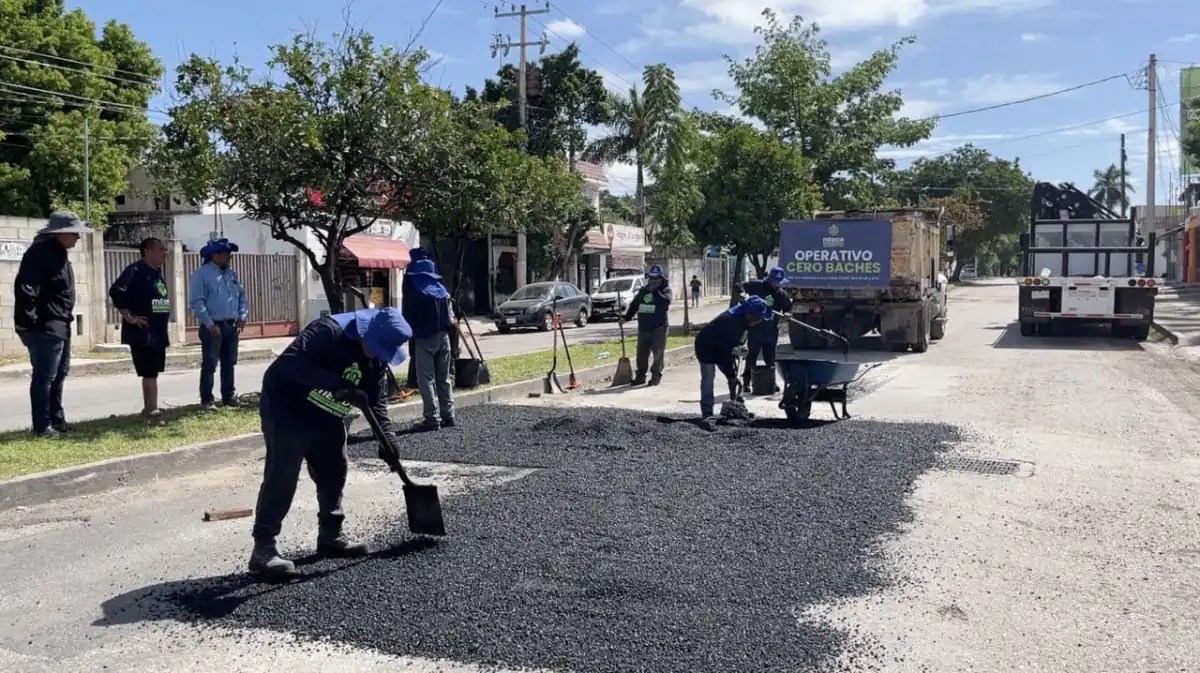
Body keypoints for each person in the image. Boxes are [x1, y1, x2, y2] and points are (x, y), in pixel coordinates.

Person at [249, 306, 412, 579]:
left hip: (326, 413)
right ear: (366, 333)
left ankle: (331, 535)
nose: (377, 356)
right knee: (283, 474)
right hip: (287, 407)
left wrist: (388, 439)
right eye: (376, 349)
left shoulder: (377, 359)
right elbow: (289, 363)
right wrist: (335, 384)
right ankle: (263, 548)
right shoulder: (328, 332)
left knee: (335, 467)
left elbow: (377, 402)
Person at [12, 211, 94, 437]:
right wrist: (26, 324)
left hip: (61, 324)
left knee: (60, 374)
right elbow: (26, 290)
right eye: (74, 233)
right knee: (45, 376)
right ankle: (43, 426)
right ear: (60, 232)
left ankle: (57, 421)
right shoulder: (41, 252)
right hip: (45, 326)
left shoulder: (60, 253)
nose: (78, 237)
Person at [108, 237, 172, 421]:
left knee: (153, 371)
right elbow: (117, 291)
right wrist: (128, 316)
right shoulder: (135, 271)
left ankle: (150, 407)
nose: (164, 252)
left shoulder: (157, 272)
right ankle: (151, 409)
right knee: (149, 371)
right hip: (144, 332)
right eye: (160, 249)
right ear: (148, 251)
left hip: (158, 331)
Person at [188, 238, 247, 409]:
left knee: (229, 362)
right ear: (215, 255)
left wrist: (243, 316)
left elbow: (241, 296)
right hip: (213, 326)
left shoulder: (231, 274)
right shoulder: (201, 274)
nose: (229, 257)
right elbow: (197, 302)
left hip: (231, 325)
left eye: (230, 254)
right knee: (210, 364)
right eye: (226, 253)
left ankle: (229, 396)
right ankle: (207, 400)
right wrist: (209, 324)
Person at [694, 296, 771, 418]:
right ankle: (707, 412)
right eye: (758, 318)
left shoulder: (743, 319)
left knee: (733, 379)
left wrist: (740, 347)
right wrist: (731, 375)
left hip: (721, 346)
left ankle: (735, 409)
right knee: (708, 379)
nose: (759, 321)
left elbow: (733, 344)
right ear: (750, 314)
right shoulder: (731, 323)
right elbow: (724, 353)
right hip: (705, 346)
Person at [402, 258, 456, 431]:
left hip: (425, 339)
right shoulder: (442, 291)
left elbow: (409, 317)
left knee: (426, 379)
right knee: (444, 377)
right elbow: (450, 316)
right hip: (444, 337)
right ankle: (449, 415)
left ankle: (432, 417)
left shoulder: (416, 290)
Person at [740, 266, 793, 392]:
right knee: (752, 356)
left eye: (778, 283)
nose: (776, 285)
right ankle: (746, 382)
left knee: (770, 358)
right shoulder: (757, 286)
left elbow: (788, 308)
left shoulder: (781, 294)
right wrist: (743, 296)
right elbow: (740, 286)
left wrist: (787, 315)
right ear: (769, 279)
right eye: (774, 282)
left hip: (771, 330)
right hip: (755, 327)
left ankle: (771, 382)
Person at [619, 265, 672, 386]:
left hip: (659, 327)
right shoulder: (644, 291)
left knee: (658, 354)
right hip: (644, 327)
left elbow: (666, 303)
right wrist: (626, 318)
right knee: (641, 354)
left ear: (661, 278)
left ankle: (656, 376)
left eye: (656, 278)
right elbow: (634, 305)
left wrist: (656, 291)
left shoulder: (665, 290)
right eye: (651, 278)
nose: (653, 281)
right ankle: (640, 376)